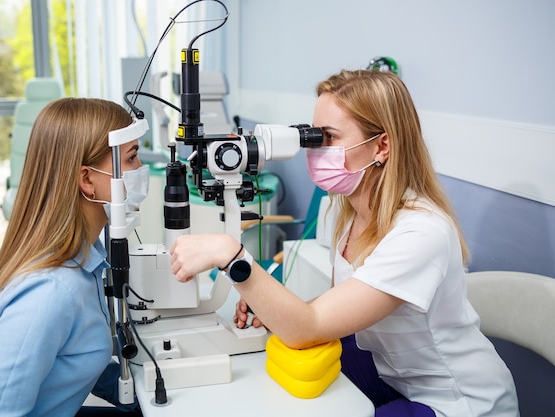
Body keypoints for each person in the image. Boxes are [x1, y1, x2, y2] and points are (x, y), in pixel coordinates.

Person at [170, 70, 519, 416]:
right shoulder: (350, 211)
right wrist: (273, 306)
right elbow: (339, 304)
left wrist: (231, 256)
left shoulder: (421, 233)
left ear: (382, 145)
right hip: (388, 368)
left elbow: (309, 327)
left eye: (329, 137)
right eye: (313, 136)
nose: (316, 149)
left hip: (449, 397)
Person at [0, 98, 146, 416]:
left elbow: (72, 356)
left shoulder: (86, 257)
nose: (140, 171)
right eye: (131, 159)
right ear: (87, 180)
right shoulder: (50, 292)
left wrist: (139, 393)